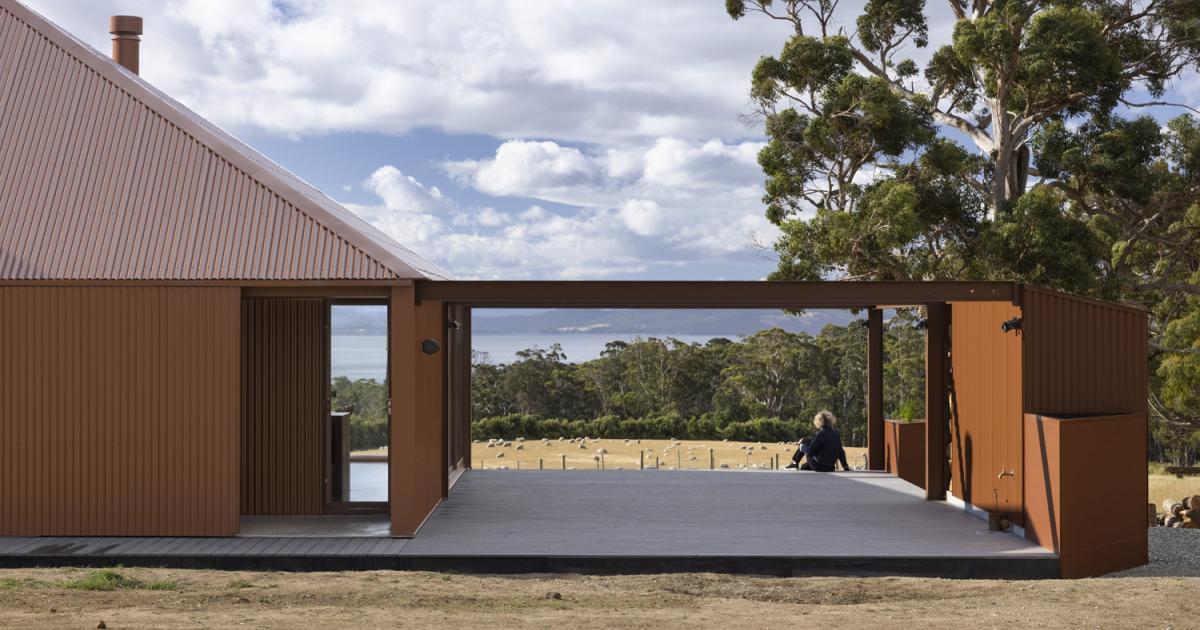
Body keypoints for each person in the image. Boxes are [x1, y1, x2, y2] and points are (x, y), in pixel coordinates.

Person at [785, 410, 850, 472]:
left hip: (818, 466)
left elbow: (810, 451)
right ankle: (799, 464)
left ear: (819, 422)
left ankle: (794, 463)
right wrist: (845, 466)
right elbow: (841, 452)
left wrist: (801, 447)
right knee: (803, 467)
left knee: (804, 442)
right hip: (830, 467)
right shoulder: (836, 434)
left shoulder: (821, 434)